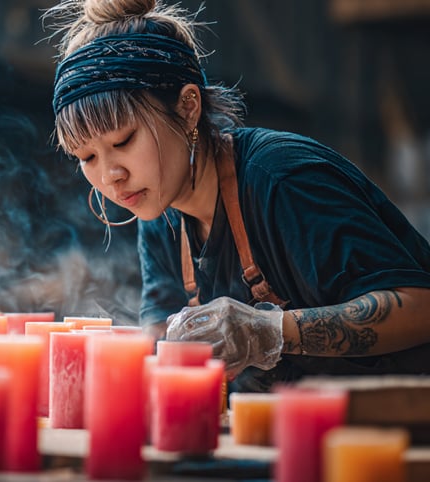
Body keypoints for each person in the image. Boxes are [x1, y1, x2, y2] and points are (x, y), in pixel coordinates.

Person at [45, 0, 430, 392]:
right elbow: (162, 340)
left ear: (188, 107)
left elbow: (420, 307)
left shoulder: (282, 179)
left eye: (123, 141)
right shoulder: (160, 213)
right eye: (87, 157)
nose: (111, 177)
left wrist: (268, 330)